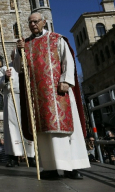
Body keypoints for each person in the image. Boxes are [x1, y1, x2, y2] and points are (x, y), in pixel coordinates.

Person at [14, 12, 90, 179]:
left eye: (36, 21)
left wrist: (66, 80)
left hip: (58, 92)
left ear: (44, 22)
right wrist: (19, 52)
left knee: (66, 132)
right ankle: (50, 167)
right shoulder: (25, 44)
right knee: (45, 134)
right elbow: (19, 69)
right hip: (38, 96)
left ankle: (72, 167)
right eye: (30, 22)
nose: (33, 24)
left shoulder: (57, 38)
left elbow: (67, 60)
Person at [0, 50, 35, 167]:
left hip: (26, 98)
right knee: (12, 126)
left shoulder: (26, 67)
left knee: (27, 126)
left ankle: (31, 156)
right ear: (11, 57)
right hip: (11, 98)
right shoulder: (6, 68)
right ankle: (13, 156)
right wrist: (5, 78)